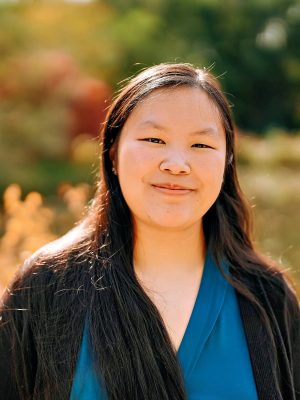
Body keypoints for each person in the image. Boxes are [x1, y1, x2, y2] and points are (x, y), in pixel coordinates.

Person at [0, 63, 299, 400]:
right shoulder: (48, 284)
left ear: (227, 161)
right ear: (112, 152)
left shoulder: (268, 297)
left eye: (201, 145)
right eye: (154, 139)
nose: (176, 164)